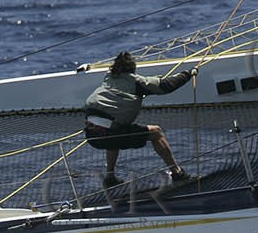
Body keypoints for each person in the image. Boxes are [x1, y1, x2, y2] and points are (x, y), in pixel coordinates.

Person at [84, 51, 195, 187]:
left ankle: (110, 177)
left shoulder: (108, 78)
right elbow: (166, 86)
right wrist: (188, 74)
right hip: (111, 134)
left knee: (112, 132)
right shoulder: (136, 82)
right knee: (156, 132)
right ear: (132, 68)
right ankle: (177, 173)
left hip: (92, 135)